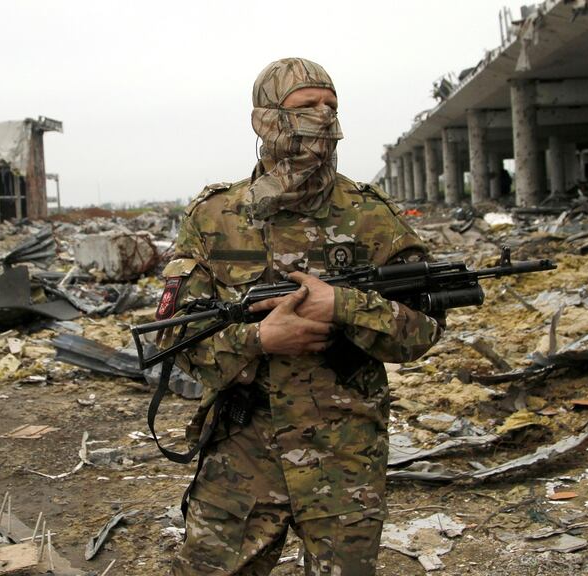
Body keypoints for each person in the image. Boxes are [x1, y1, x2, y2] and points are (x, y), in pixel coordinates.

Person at [157, 57, 444, 575]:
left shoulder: (370, 214)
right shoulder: (214, 216)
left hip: (345, 455)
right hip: (242, 451)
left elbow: (422, 331)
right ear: (264, 119)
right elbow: (174, 338)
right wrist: (261, 339)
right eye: (306, 106)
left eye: (330, 106)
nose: (324, 117)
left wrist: (345, 305)